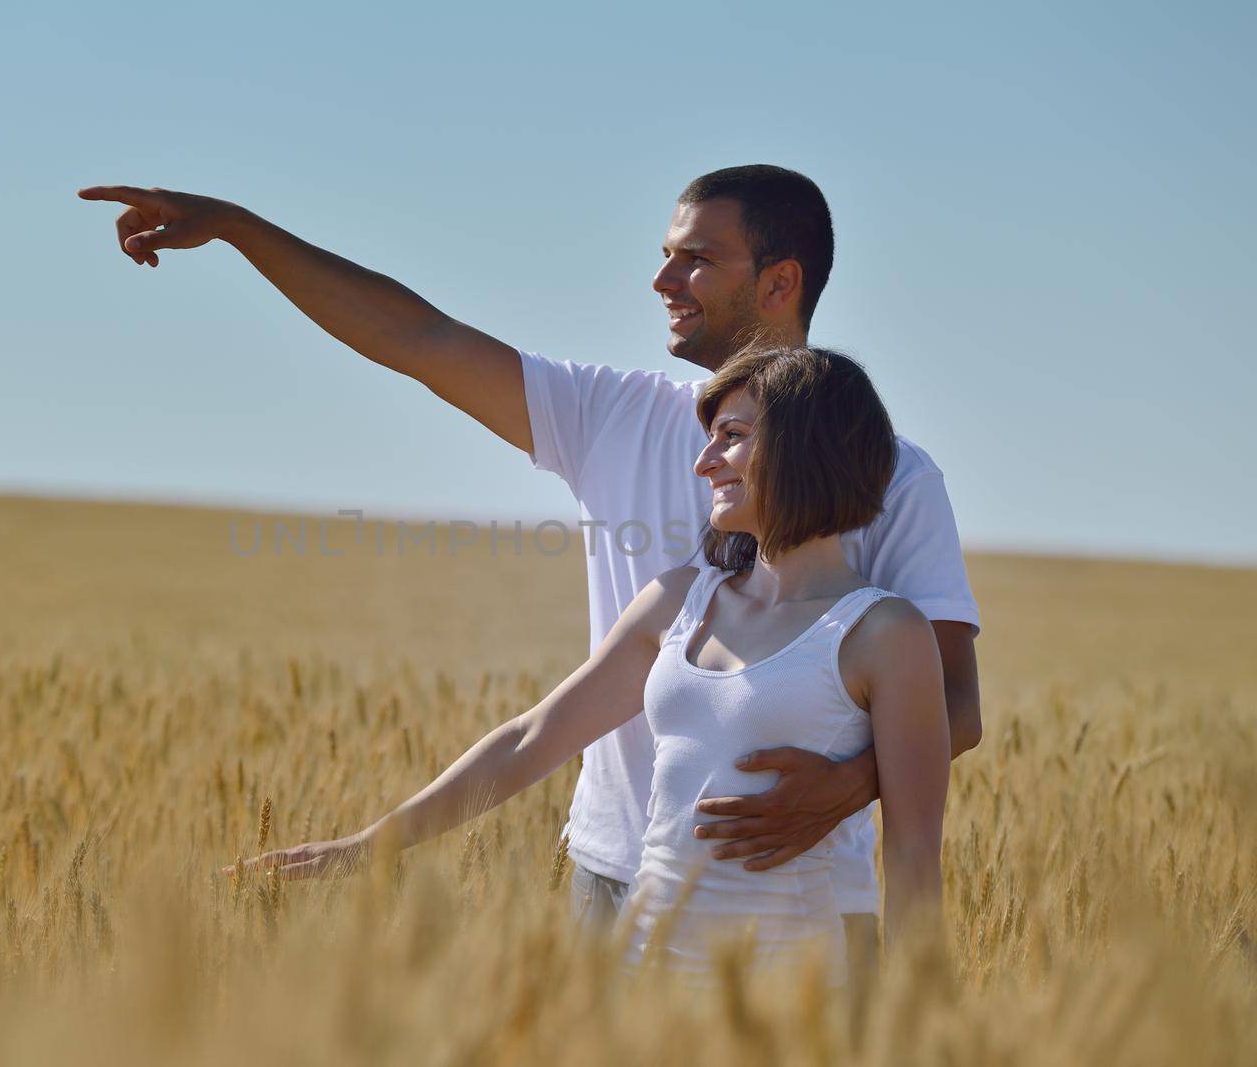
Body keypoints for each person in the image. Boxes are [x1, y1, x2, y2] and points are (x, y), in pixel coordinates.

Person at [77, 164, 981, 968]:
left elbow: (952, 705)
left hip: (797, 904)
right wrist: (242, 230)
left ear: (781, 280)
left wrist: (848, 788)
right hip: (614, 878)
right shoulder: (614, 421)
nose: (663, 279)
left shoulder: (896, 478)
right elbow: (418, 341)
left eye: (696, 259)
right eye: (666, 254)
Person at [232, 347, 951, 985]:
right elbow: (532, 738)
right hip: (643, 976)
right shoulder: (680, 601)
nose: (703, 462)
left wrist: (922, 1019)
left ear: (806, 449)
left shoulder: (884, 632)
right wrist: (370, 845)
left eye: (731, 438)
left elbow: (916, 851)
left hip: (795, 995)